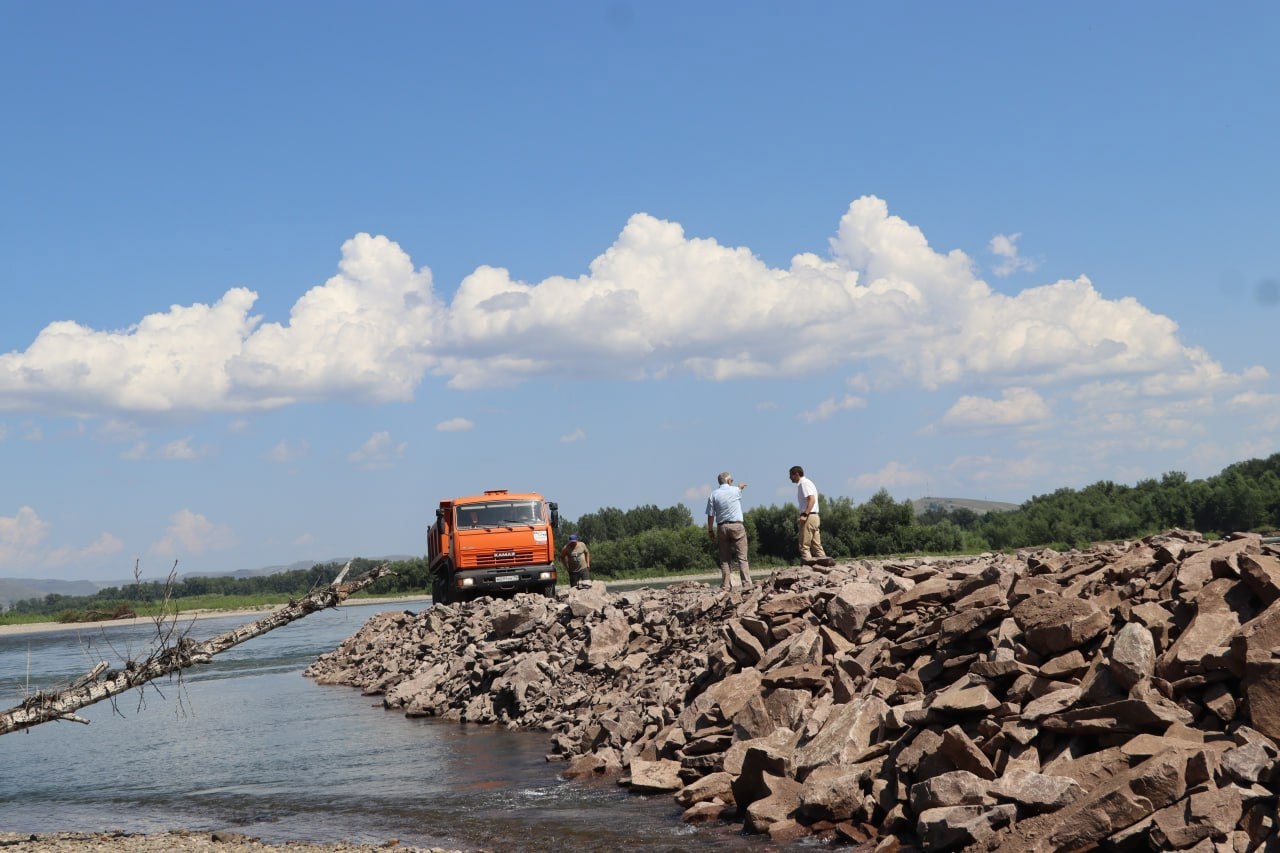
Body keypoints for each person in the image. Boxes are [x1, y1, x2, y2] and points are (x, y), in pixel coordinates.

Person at [705, 471, 751, 590]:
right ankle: (746, 584)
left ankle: (725, 585)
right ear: (729, 481)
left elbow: (710, 515)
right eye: (732, 480)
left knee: (724, 559)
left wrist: (710, 530)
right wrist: (740, 486)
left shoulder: (713, 494)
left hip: (722, 527)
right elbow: (739, 488)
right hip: (737, 526)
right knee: (742, 557)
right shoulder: (735, 490)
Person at [789, 465, 835, 567]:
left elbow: (811, 499)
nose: (790, 478)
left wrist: (805, 514)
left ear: (796, 474)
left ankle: (807, 571)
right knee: (816, 546)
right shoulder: (808, 483)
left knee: (804, 546)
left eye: (791, 475)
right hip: (814, 516)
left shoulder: (803, 484)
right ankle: (827, 567)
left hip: (809, 517)